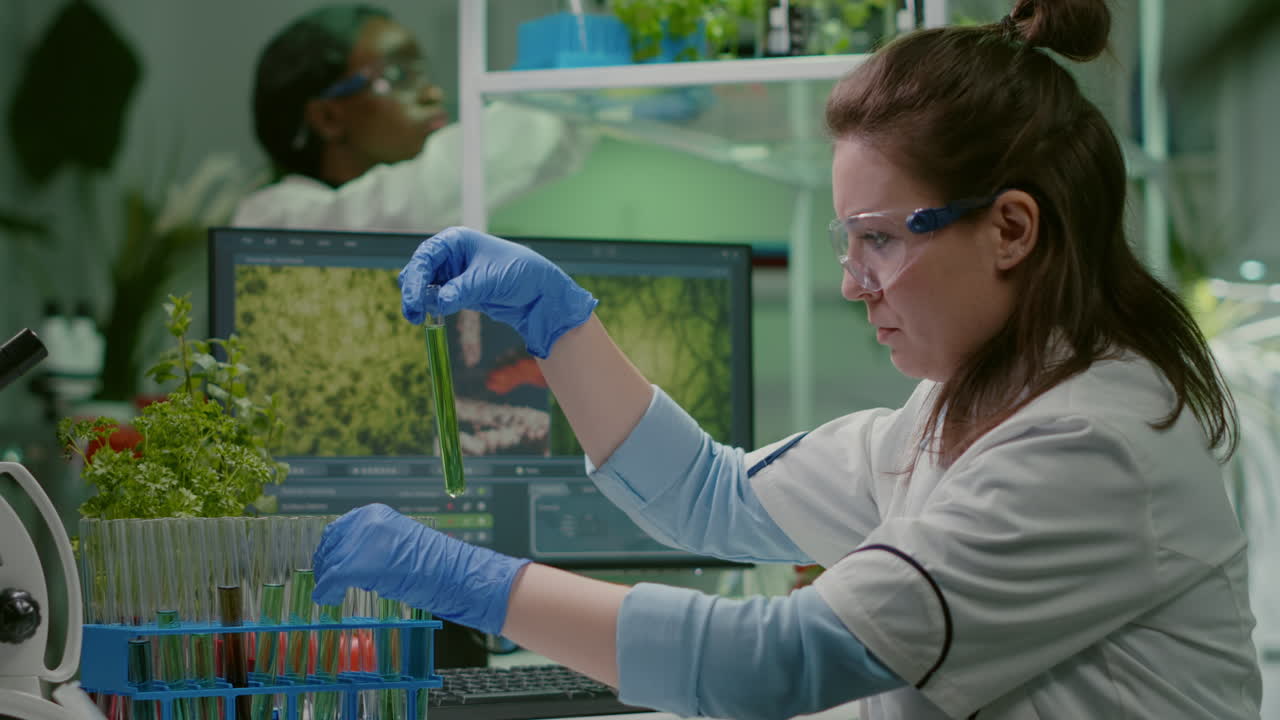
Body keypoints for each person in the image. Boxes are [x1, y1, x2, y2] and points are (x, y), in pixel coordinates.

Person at [310, 1, 1263, 718]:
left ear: (1012, 227)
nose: (854, 283)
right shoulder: (954, 412)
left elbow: (767, 662)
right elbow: (711, 496)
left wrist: (471, 582)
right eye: (848, 242)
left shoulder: (1092, 445)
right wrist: (556, 321)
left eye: (880, 239)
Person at [232, 4, 592, 231]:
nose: (433, 93)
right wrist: (563, 94)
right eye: (400, 75)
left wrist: (590, 100)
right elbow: (416, 198)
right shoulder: (273, 220)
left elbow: (545, 156)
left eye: (424, 72)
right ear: (328, 117)